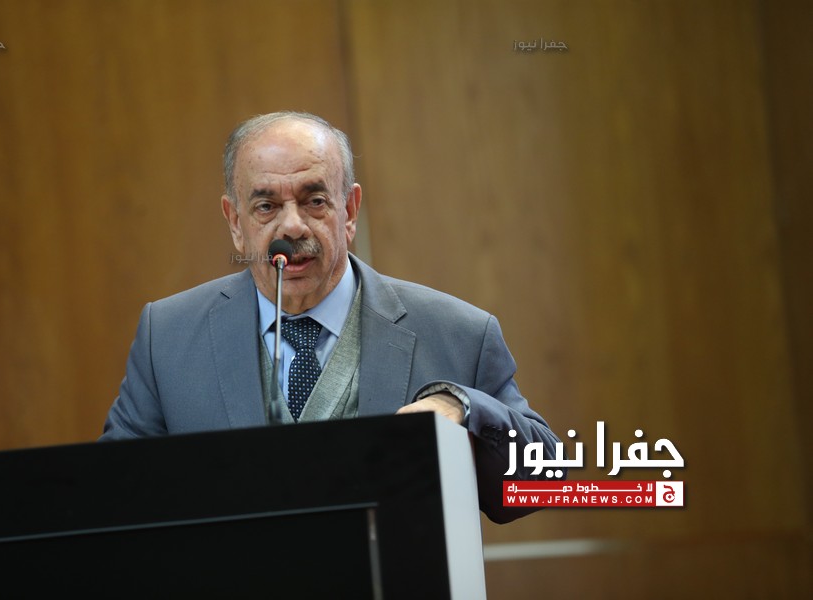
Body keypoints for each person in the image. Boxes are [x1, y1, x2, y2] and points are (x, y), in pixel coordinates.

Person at [101, 111, 562, 523]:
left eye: (314, 200)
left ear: (350, 210)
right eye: (266, 206)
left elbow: (546, 482)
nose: (292, 226)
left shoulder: (457, 333)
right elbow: (112, 498)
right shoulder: (168, 337)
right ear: (236, 223)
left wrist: (463, 407)